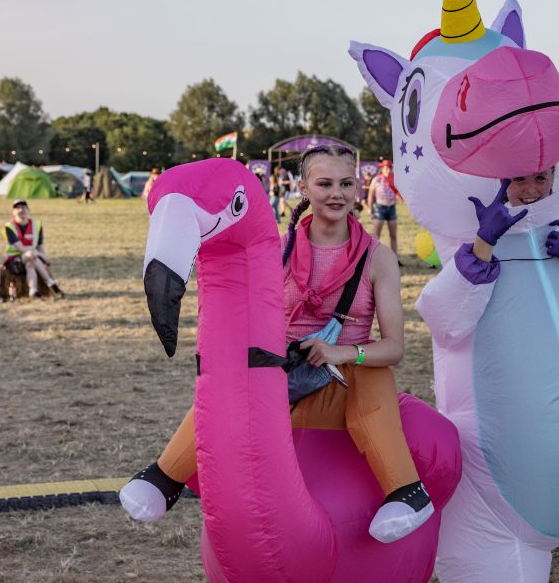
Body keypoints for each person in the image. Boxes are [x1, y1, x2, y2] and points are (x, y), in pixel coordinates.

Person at [122, 145, 433, 544]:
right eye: (324, 184)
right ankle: (166, 475)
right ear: (303, 188)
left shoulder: (379, 258)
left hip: (348, 373)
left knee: (373, 389)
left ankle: (406, 489)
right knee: (225, 394)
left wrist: (342, 352)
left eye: (346, 183)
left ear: (358, 188)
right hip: (286, 371)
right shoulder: (275, 251)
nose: (336, 193)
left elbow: (395, 349)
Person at [3, 199, 64, 298]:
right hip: (15, 260)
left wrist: (42, 254)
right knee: (31, 255)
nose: (21, 210)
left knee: (30, 264)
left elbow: (40, 245)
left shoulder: (37, 224)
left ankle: (33, 291)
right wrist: (41, 256)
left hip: (31, 259)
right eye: (18, 208)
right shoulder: (9, 226)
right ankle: (51, 284)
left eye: (24, 207)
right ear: (13, 212)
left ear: (28, 210)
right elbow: (21, 248)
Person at [368, 158, 400, 259]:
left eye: (390, 168)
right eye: (386, 167)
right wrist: (370, 209)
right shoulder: (377, 179)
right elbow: (370, 195)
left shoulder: (394, 180)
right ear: (382, 168)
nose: (388, 170)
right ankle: (374, 258)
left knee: (393, 235)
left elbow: (398, 194)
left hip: (391, 208)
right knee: (376, 236)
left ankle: (395, 258)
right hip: (379, 208)